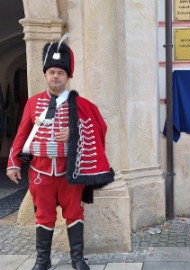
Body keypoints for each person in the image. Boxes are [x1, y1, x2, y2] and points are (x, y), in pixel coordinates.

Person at [6, 34, 114, 270]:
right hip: (40, 172)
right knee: (43, 216)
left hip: (69, 173)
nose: (56, 76)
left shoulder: (82, 105)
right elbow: (22, 133)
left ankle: (77, 259)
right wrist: (13, 162)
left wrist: (74, 133)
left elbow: (100, 129)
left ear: (67, 76)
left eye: (60, 73)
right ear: (45, 75)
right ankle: (42, 260)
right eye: (52, 72)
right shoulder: (33, 103)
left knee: (74, 213)